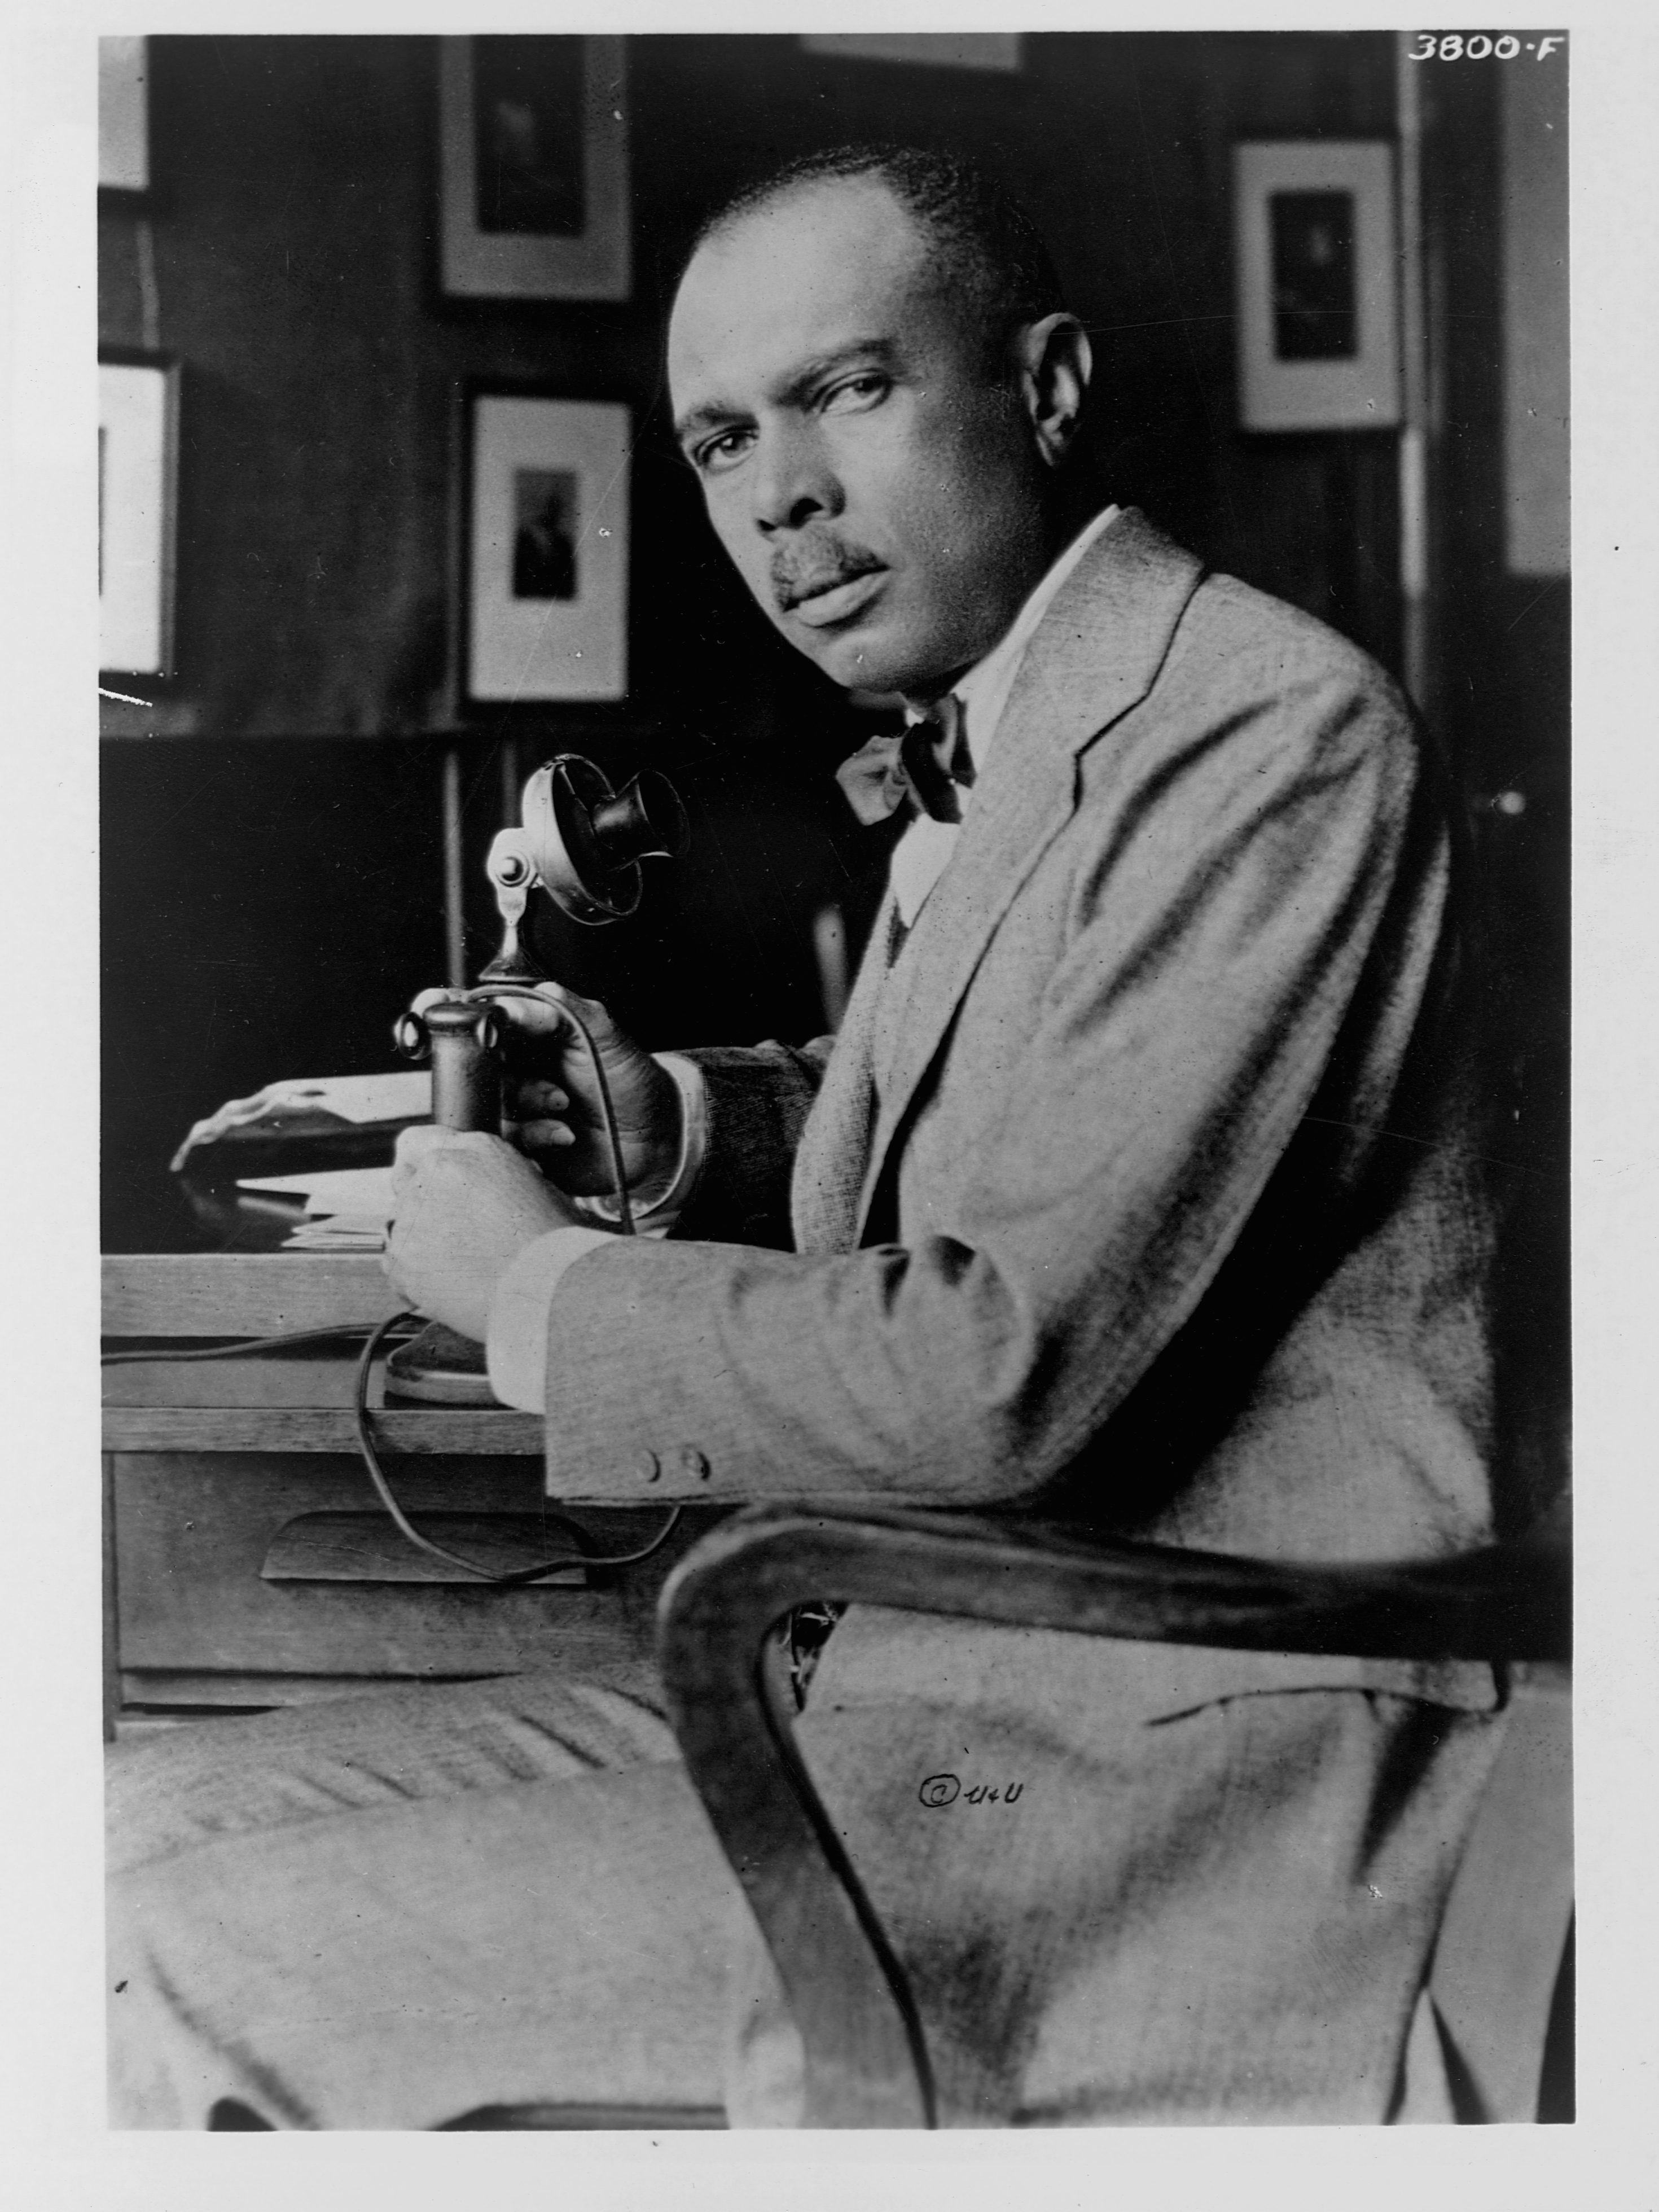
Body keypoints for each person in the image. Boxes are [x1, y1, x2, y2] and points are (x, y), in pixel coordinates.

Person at [107, 146, 1511, 2128]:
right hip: (928, 1690)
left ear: (1044, 385)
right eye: (718, 442)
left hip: (1171, 1775)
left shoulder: (1265, 732)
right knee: (105, 1829)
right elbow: (1026, 1102)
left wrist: (537, 1284)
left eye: (845, 391)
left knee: (166, 1949)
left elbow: (996, 1375)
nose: (776, 497)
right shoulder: (1036, 715)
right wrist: (678, 1124)